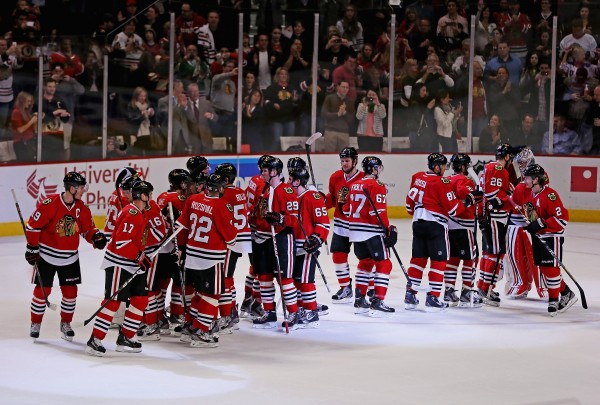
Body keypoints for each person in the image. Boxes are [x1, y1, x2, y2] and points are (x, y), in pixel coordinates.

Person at [26, 172, 106, 340]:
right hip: (47, 255)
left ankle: (65, 323)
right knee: (43, 291)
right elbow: (33, 226)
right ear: (72, 188)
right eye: (82, 188)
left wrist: (95, 238)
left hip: (70, 257)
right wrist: (32, 248)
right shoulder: (50, 204)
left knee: (70, 292)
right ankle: (36, 323)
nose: (84, 190)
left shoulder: (82, 208)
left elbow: (87, 229)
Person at [86, 180, 153, 356]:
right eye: (149, 194)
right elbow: (123, 243)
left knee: (140, 300)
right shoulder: (131, 213)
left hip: (132, 263)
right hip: (119, 263)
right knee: (113, 301)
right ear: (142, 196)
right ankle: (95, 340)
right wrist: (140, 256)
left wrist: (142, 257)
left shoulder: (140, 212)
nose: (151, 197)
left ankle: (126, 336)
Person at [175, 174, 237, 347]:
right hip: (211, 258)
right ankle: (202, 332)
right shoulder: (222, 205)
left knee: (200, 293)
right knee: (212, 295)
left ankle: (190, 326)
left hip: (192, 255)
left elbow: (181, 225)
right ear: (220, 188)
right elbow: (230, 238)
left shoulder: (193, 199)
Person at [404, 153, 461, 312]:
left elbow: (409, 206)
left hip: (417, 223)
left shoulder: (417, 177)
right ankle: (433, 297)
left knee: (418, 259)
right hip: (435, 225)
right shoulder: (441, 181)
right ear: (436, 167)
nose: (444, 169)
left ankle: (410, 295)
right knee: (439, 260)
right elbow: (454, 209)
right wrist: (466, 202)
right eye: (443, 166)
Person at [342, 156, 397, 316]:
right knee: (384, 264)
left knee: (365, 263)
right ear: (374, 169)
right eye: (378, 167)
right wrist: (388, 229)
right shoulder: (377, 185)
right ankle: (378, 301)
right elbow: (377, 212)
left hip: (355, 232)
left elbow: (346, 210)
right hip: (372, 231)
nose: (379, 170)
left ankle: (360, 301)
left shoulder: (353, 185)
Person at [250, 156, 301, 330]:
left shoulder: (286, 191)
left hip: (281, 239)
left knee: (284, 279)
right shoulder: (263, 189)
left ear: (274, 172)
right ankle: (269, 311)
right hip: (262, 238)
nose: (262, 173)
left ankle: (293, 312)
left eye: (265, 171)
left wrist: (280, 218)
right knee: (264, 277)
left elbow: (294, 220)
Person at [520, 164, 578, 316]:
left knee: (551, 269)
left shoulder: (550, 195)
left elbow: (562, 219)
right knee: (545, 269)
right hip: (539, 237)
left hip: (552, 237)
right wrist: (531, 225)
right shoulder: (530, 194)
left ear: (536, 179)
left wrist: (539, 224)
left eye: (528, 178)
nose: (525, 180)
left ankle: (554, 299)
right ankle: (566, 293)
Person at [326, 147, 369, 303]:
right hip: (341, 224)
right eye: (342, 161)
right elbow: (332, 198)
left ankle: (367, 287)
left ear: (355, 161)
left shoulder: (365, 178)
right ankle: (345, 288)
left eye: (347, 161)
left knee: (364, 257)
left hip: (359, 225)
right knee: (338, 254)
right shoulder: (336, 177)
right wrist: (319, 204)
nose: (344, 164)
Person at [289, 167, 330, 327]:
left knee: (305, 280)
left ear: (298, 181)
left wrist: (316, 239)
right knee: (295, 281)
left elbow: (323, 223)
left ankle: (311, 312)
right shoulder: (290, 196)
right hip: (292, 247)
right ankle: (300, 308)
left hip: (307, 248)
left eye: (290, 179)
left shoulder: (312, 196)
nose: (288, 181)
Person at [505, 148, 548, 299]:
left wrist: (533, 222)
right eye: (520, 164)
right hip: (516, 221)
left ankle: (543, 286)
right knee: (514, 253)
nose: (521, 167)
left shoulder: (537, 178)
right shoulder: (519, 182)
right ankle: (519, 282)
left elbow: (532, 201)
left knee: (535, 255)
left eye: (523, 164)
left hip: (532, 221)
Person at [214, 163, 252, 332]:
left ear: (226, 179)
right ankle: (231, 311)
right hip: (244, 237)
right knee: (227, 276)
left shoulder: (224, 194)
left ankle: (229, 314)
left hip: (232, 239)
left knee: (225, 278)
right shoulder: (240, 191)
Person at [477, 143, 515, 306]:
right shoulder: (499, 170)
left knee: (488, 253)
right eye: (510, 156)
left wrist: (508, 190)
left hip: (487, 216)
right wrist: (509, 196)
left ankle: (482, 287)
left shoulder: (487, 168)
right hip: (495, 218)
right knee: (495, 254)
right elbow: (494, 195)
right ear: (506, 157)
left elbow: (487, 191)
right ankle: (486, 290)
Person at [444, 154, 484, 307]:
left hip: (450, 225)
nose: (468, 168)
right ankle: (467, 293)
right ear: (461, 166)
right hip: (464, 226)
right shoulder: (462, 180)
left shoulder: (448, 180)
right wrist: (475, 195)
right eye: (466, 165)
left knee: (452, 259)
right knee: (470, 259)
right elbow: (464, 193)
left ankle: (449, 291)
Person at [37, 78, 70, 162]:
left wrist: (64, 116)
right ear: (44, 87)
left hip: (57, 140)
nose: (52, 89)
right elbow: (39, 119)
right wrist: (55, 113)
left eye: (54, 87)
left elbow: (66, 119)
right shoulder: (39, 101)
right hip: (43, 140)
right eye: (49, 86)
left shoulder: (59, 101)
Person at [318, 80, 355, 152]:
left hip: (344, 133)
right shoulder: (329, 98)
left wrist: (344, 113)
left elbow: (351, 119)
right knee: (329, 157)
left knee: (344, 157)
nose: (345, 89)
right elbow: (323, 113)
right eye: (343, 87)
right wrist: (337, 114)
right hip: (331, 131)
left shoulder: (350, 101)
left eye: (347, 87)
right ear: (338, 87)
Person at [11, 91, 37, 162]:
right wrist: (31, 121)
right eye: (28, 101)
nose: (29, 103)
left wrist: (35, 120)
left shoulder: (27, 112)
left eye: (30, 101)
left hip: (30, 141)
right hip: (21, 143)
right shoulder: (16, 112)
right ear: (22, 101)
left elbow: (33, 129)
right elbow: (20, 130)